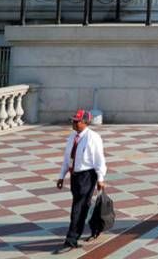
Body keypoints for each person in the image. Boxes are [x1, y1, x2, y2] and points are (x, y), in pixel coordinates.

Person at [54, 108, 106, 253]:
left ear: (85, 122)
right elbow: (67, 157)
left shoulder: (93, 137)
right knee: (83, 206)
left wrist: (100, 178)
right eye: (73, 121)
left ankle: (72, 239)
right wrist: (61, 175)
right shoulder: (73, 136)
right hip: (75, 176)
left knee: (78, 207)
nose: (74, 123)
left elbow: (99, 159)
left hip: (87, 176)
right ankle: (96, 227)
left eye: (77, 121)